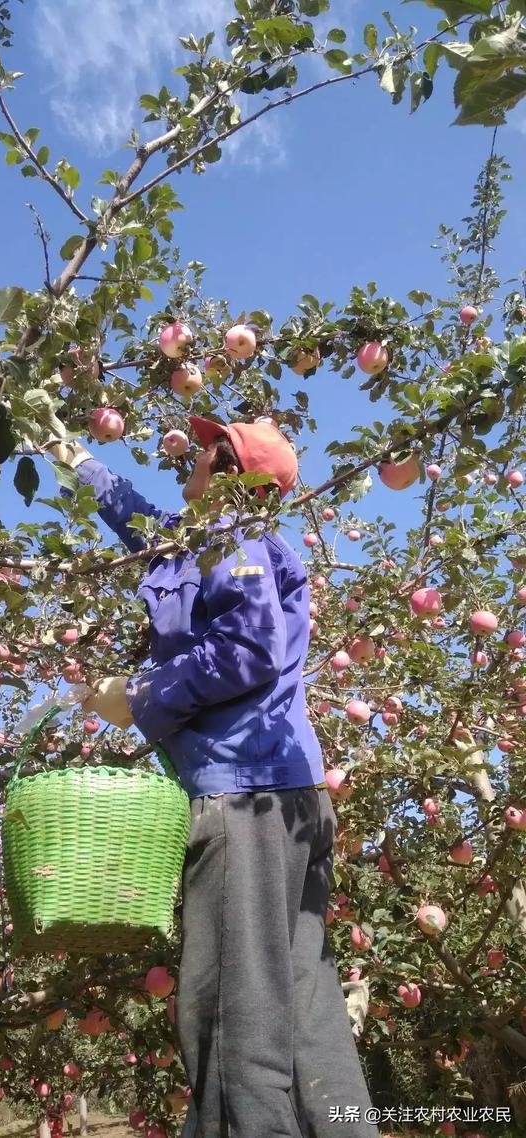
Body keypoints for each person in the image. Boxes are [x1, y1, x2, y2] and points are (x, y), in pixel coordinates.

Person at [47, 416, 378, 1138]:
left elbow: (245, 650)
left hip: (246, 796)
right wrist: (78, 459)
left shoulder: (231, 536)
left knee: (232, 1015)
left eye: (203, 449)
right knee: (304, 1011)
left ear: (228, 469)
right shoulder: (208, 541)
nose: (188, 457)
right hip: (287, 800)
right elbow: (147, 527)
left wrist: (136, 697)